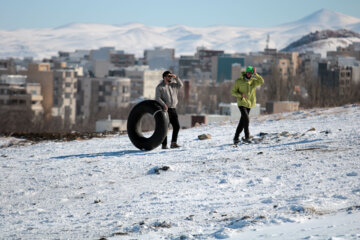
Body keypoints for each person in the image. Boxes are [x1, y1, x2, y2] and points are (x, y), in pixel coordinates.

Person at [231, 66, 264, 144]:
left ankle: (236, 137)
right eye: (248, 73)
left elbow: (261, 81)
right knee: (246, 119)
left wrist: (256, 74)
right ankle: (247, 137)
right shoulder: (239, 81)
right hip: (242, 102)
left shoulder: (253, 81)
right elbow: (233, 92)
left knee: (242, 122)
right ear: (246, 72)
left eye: (251, 73)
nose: (249, 74)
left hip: (249, 104)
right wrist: (241, 95)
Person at [155, 71, 183, 149]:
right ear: (164, 77)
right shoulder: (160, 87)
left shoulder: (173, 85)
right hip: (165, 110)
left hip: (173, 109)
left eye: (171, 76)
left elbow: (181, 85)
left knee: (176, 126)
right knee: (166, 128)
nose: (170, 77)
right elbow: (157, 98)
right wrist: (164, 104)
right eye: (169, 76)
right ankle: (164, 145)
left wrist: (176, 77)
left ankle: (173, 143)